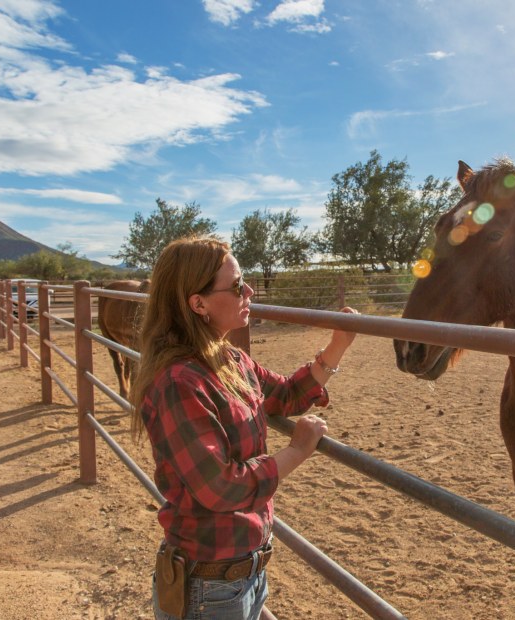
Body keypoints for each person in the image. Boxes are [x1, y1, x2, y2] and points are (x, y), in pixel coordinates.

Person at [129, 236, 358, 620]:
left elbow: (285, 395)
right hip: (210, 587)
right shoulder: (178, 383)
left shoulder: (229, 358)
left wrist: (338, 345)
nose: (249, 290)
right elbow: (221, 487)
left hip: (240, 576)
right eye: (236, 286)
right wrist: (296, 451)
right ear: (197, 303)